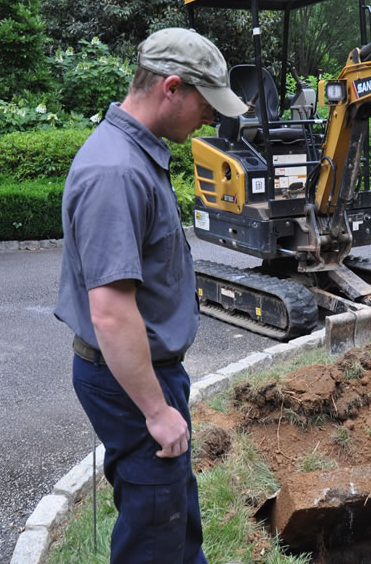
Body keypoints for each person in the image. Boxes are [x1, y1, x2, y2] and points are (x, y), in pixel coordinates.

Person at [54, 28, 247, 564]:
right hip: (132, 383)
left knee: (172, 518)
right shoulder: (115, 172)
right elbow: (112, 313)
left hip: (144, 375)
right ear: (171, 88)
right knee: (154, 532)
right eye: (206, 103)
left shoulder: (134, 155)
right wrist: (156, 410)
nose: (212, 117)